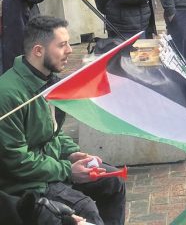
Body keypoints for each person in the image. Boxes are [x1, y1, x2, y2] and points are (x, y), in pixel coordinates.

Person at [0, 16, 126, 225]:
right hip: (25, 183)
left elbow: (52, 133)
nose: (69, 50)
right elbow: (17, 162)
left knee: (113, 180)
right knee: (86, 209)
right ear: (38, 50)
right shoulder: (9, 95)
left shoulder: (48, 81)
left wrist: (71, 152)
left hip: (48, 167)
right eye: (62, 45)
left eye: (68, 43)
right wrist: (68, 170)